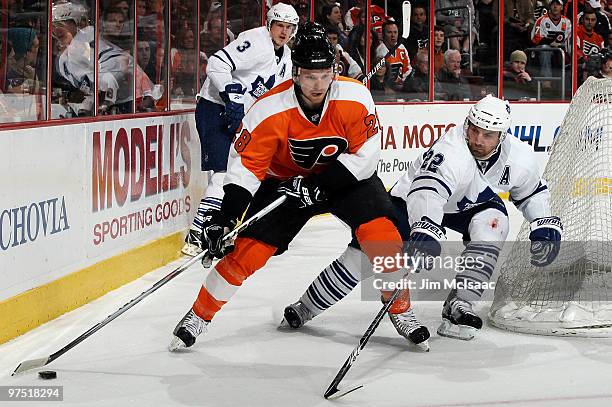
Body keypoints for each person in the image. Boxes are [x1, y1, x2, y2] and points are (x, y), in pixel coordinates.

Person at [169, 22, 410, 351]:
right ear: (295, 73)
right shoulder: (268, 109)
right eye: (310, 76)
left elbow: (366, 157)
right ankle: (199, 315)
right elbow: (245, 171)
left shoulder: (355, 96)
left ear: (334, 71)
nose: (318, 84)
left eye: (326, 75)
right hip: (285, 183)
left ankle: (400, 309)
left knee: (383, 237)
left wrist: (320, 184)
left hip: (346, 180)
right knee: (246, 254)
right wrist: (226, 218)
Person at [283, 95, 563, 341]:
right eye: (475, 130)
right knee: (370, 256)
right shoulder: (452, 151)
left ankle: (461, 304)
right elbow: (427, 191)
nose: (478, 140)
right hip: (410, 202)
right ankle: (306, 306)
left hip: (468, 206)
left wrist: (543, 222)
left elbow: (532, 193)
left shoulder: (520, 157)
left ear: (502, 136)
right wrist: (426, 230)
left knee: (494, 222)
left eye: (487, 135)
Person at [182, 3, 299, 256]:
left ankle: (214, 228)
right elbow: (216, 63)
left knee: (236, 170)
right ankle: (198, 232)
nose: (284, 32)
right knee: (223, 171)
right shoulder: (255, 41)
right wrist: (230, 93)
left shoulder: (286, 58)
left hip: (240, 117)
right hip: (215, 107)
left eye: (289, 27)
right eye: (280, 25)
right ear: (270, 24)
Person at [375, 19, 412, 90]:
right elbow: (379, 74)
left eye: (395, 32)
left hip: (402, 86)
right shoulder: (379, 51)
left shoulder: (402, 48)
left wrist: (402, 81)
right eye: (389, 32)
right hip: (386, 88)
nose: (393, 35)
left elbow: (408, 68)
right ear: (383, 34)